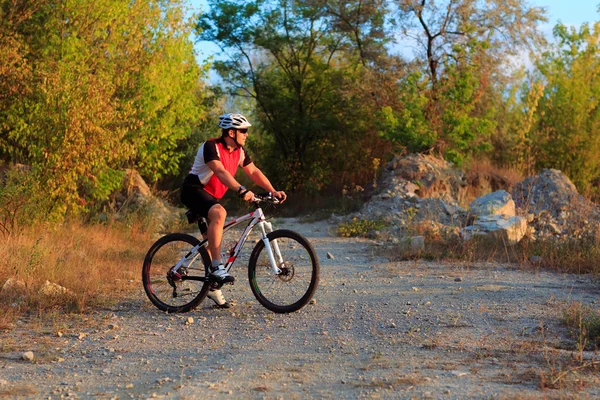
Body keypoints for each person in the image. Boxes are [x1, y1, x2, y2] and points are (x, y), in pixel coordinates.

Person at [181, 113, 286, 308]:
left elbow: (254, 172)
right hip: (193, 190)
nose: (246, 134)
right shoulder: (211, 146)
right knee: (220, 213)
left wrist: (273, 190)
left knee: (213, 239)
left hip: (210, 196)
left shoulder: (239, 151)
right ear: (231, 132)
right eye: (243, 131)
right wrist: (241, 189)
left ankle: (213, 287)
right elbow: (220, 172)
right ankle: (216, 267)